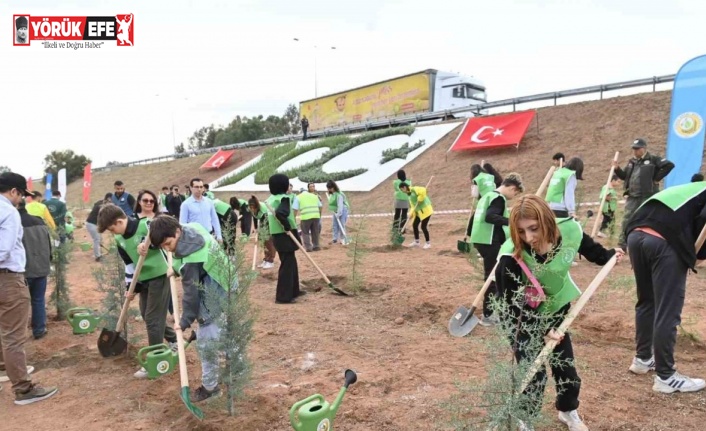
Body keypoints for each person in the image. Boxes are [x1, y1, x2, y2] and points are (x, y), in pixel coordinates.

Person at [495, 195, 623, 431]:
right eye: (521, 232)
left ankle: (567, 410)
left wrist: (609, 255)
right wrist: (540, 331)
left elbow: (592, 250)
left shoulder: (570, 231)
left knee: (566, 368)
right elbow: (511, 305)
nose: (529, 238)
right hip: (521, 318)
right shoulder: (510, 258)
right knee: (534, 373)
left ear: (547, 221)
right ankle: (525, 418)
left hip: (555, 310)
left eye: (534, 229)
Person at [625, 181, 706, 393]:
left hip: (635, 234)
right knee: (667, 310)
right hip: (664, 241)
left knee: (647, 301)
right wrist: (697, 255)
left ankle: (643, 359)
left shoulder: (692, 189)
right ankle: (666, 376)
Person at [149, 215, 236, 402]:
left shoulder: (191, 259)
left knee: (207, 343)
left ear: (177, 232)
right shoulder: (191, 227)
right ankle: (236, 372)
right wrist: (176, 269)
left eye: (168, 243)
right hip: (226, 280)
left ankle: (211, 388)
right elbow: (186, 263)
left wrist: (185, 321)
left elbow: (191, 294)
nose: (167, 248)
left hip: (216, 291)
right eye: (163, 246)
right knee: (227, 333)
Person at [97, 203, 177, 379]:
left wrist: (149, 245)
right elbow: (130, 264)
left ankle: (154, 359)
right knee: (146, 313)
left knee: (153, 319)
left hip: (160, 274)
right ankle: (174, 340)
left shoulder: (145, 226)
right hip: (143, 279)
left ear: (119, 221)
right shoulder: (119, 240)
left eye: (112, 229)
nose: (112, 233)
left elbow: (163, 242)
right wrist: (130, 286)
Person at [0, 171, 58, 404]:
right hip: (8, 279)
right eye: (20, 194)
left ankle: (5, 367)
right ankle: (23, 389)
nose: (21, 199)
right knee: (14, 336)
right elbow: (3, 250)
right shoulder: (9, 213)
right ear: (13, 191)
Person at [470, 173, 524, 326]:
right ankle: (488, 315)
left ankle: (492, 310)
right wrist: (512, 222)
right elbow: (490, 217)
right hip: (489, 241)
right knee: (492, 277)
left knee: (494, 275)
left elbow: (477, 218)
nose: (513, 196)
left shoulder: (487, 196)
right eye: (515, 193)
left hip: (480, 240)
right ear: (512, 188)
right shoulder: (498, 198)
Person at [613, 138, 674, 250]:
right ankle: (623, 244)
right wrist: (617, 169)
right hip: (633, 196)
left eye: (637, 149)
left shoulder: (653, 159)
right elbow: (624, 176)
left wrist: (656, 178)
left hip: (647, 196)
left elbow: (669, 165)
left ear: (644, 148)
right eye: (634, 149)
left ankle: (652, 243)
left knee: (649, 219)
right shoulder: (632, 162)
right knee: (627, 219)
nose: (635, 151)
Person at [18, 202, 52, 340]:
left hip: (23, 270)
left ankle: (18, 335)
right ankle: (39, 329)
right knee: (38, 300)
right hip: (42, 267)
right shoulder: (40, 221)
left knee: (19, 304)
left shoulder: (13, 222)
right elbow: (48, 244)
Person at [267, 174, 303, 303]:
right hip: (285, 234)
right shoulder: (283, 198)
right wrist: (287, 227)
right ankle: (283, 296)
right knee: (287, 265)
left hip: (277, 234)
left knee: (290, 262)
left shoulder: (272, 198)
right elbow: (281, 213)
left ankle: (294, 291)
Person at [466, 162, 503, 240]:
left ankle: (472, 237)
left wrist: (473, 188)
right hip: (495, 199)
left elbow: (475, 195)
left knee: (474, 222)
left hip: (485, 202)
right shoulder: (490, 176)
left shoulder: (477, 179)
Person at [399, 182, 434, 249]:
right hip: (419, 212)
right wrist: (411, 213)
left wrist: (420, 198)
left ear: (404, 187)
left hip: (426, 211)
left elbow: (423, 190)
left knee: (423, 226)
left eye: (401, 189)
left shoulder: (414, 189)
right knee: (415, 225)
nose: (402, 191)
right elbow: (413, 206)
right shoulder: (409, 195)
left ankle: (428, 243)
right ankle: (417, 242)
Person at [250, 196, 276, 269]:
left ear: (257, 206)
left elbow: (265, 222)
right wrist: (255, 228)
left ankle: (270, 261)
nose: (252, 209)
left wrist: (260, 229)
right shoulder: (251, 209)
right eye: (251, 207)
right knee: (263, 242)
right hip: (263, 223)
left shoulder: (263, 210)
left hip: (270, 223)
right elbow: (255, 218)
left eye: (253, 207)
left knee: (268, 242)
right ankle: (266, 260)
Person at [86, 193, 112, 262]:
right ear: (109, 199)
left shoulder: (99, 202)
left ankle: (99, 253)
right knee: (97, 239)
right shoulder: (102, 206)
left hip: (93, 224)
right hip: (91, 224)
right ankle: (98, 257)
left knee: (99, 239)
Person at [297, 183, 322, 252]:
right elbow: (320, 206)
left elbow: (295, 208)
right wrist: (319, 214)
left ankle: (308, 247)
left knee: (305, 232)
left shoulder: (298, 197)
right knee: (315, 231)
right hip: (316, 216)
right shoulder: (314, 196)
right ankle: (316, 246)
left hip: (305, 217)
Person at [326, 180, 350, 245]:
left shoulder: (339, 194)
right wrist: (335, 213)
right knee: (335, 224)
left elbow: (340, 205)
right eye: (328, 188)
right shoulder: (332, 195)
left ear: (334, 187)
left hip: (343, 210)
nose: (329, 190)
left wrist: (339, 214)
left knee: (341, 224)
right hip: (335, 211)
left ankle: (343, 239)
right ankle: (335, 239)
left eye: (330, 188)